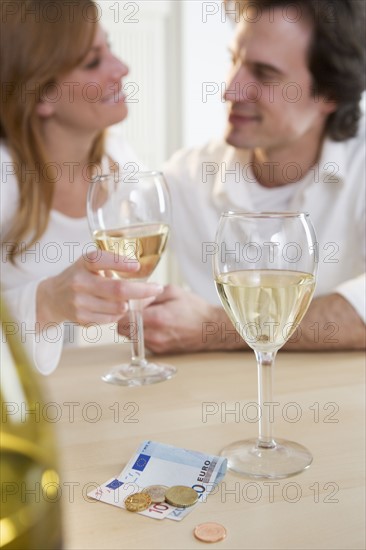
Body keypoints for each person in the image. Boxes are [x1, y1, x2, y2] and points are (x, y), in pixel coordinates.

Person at [118, 0, 366, 352]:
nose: (231, 90)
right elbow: (100, 228)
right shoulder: (190, 176)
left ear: (329, 93)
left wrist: (216, 327)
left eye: (264, 74)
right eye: (234, 60)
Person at [0, 0, 163, 374]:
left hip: (103, 398)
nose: (122, 69)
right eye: (93, 62)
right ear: (41, 94)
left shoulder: (119, 160)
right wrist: (45, 305)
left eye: (110, 49)